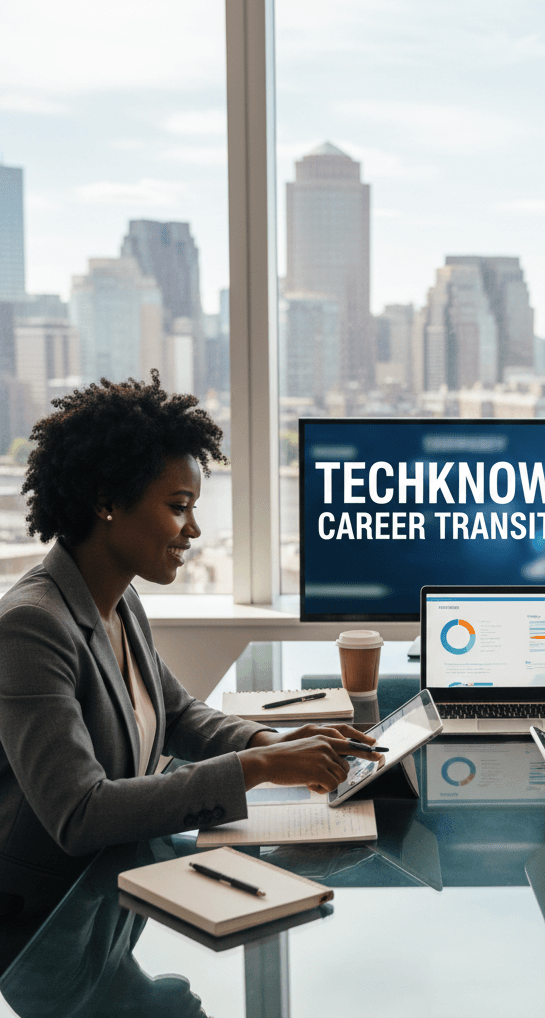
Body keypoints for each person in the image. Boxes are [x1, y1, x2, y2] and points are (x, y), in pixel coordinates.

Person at [0, 374, 381, 922]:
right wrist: (262, 764)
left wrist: (277, 741)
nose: (195, 529)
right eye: (180, 506)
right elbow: (79, 813)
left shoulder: (120, 598)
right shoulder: (32, 627)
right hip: (45, 921)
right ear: (107, 501)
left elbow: (177, 714)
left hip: (113, 892)